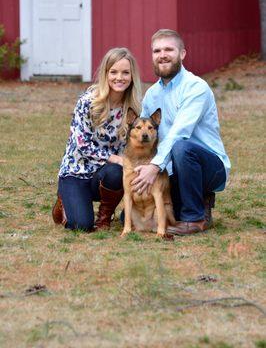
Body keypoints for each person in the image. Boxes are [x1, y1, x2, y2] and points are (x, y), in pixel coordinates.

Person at [131, 29, 231, 235]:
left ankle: (195, 219)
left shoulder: (196, 88)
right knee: (137, 219)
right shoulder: (152, 94)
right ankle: (200, 200)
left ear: (182, 54)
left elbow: (180, 133)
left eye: (169, 49)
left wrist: (154, 166)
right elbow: (143, 135)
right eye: (157, 50)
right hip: (172, 168)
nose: (162, 55)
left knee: (181, 147)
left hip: (209, 167)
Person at [52, 47, 141, 231]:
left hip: (105, 175)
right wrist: (116, 158)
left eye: (125, 72)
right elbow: (82, 144)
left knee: (117, 171)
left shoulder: (133, 108)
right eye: (113, 72)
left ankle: (104, 217)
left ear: (132, 76)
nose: (119, 77)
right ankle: (64, 200)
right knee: (81, 225)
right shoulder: (88, 101)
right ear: (105, 74)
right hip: (76, 172)